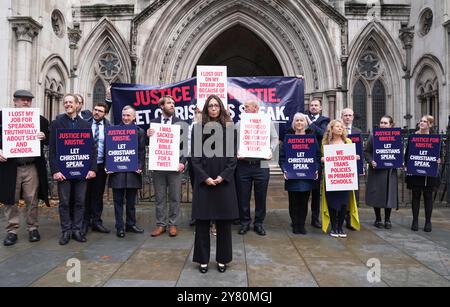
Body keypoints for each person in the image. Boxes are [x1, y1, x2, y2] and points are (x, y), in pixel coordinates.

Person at [191, 95, 239, 274]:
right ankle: (203, 260)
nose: (213, 108)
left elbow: (233, 158)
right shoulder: (197, 129)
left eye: (216, 105)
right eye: (210, 106)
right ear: (206, 109)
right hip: (204, 183)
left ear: (221, 108)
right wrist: (205, 178)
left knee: (224, 223)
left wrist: (222, 176)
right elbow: (194, 158)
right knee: (202, 222)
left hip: (223, 182)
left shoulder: (229, 129)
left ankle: (222, 259)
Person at [0, 90, 50, 246]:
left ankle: (33, 228)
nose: (26, 102)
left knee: (32, 198)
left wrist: (44, 136)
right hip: (10, 166)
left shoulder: (40, 120)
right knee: (10, 199)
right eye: (23, 100)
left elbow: (50, 141)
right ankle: (12, 230)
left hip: (31, 166)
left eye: (29, 100)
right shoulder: (2, 117)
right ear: (15, 101)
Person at [49, 94, 97, 245]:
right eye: (66, 102)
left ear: (77, 105)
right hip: (63, 172)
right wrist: (55, 170)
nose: (68, 104)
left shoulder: (86, 125)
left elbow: (92, 150)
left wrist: (92, 169)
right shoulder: (57, 123)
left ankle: (77, 230)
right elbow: (52, 150)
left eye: (71, 102)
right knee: (64, 203)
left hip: (82, 171)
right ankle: (66, 231)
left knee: (79, 202)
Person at [235, 100, 279, 236]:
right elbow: (232, 139)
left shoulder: (267, 121)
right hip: (243, 165)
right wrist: (237, 151)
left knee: (261, 196)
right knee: (243, 196)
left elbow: (275, 138)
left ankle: (259, 223)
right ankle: (244, 223)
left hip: (262, 164)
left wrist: (270, 150)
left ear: (256, 108)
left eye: (247, 106)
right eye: (244, 106)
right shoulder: (239, 123)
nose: (244, 108)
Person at [148, 95, 187, 238]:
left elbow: (186, 147)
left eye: (173, 103)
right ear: (161, 106)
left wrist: (182, 162)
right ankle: (160, 224)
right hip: (159, 167)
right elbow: (150, 146)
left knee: (175, 197)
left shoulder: (180, 123)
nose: (172, 105)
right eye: (169, 103)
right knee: (160, 197)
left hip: (175, 167)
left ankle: (173, 224)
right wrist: (148, 135)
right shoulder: (153, 123)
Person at [279, 113, 320, 235]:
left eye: (302, 120)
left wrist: (316, 169)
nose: (299, 123)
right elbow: (282, 157)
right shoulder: (288, 138)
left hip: (307, 176)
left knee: (304, 201)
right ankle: (295, 224)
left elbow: (317, 156)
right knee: (293, 202)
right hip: (292, 176)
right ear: (293, 123)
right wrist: (284, 170)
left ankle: (301, 225)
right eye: (297, 120)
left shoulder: (312, 139)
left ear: (305, 123)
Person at [108, 106, 146, 238]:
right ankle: (119, 227)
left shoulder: (140, 131)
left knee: (131, 202)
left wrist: (140, 166)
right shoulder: (113, 130)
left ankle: (131, 224)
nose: (125, 118)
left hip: (132, 172)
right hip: (117, 172)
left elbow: (142, 151)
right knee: (118, 202)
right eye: (124, 115)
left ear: (134, 117)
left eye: (128, 115)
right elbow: (109, 150)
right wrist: (108, 165)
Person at [321, 120, 360, 238]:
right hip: (331, 178)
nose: (340, 128)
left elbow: (352, 156)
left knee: (344, 203)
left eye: (341, 127)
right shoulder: (326, 143)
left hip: (345, 178)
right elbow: (321, 158)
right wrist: (323, 159)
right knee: (332, 203)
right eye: (337, 126)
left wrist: (355, 157)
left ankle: (340, 227)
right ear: (331, 129)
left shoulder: (347, 142)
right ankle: (333, 227)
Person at [406, 115, 441, 233]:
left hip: (429, 173)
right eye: (421, 121)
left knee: (428, 197)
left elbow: (439, 154)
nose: (421, 123)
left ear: (430, 124)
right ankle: (415, 220)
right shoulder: (413, 137)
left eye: (425, 121)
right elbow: (408, 154)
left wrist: (439, 159)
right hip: (416, 172)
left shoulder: (435, 138)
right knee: (415, 196)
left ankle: (428, 221)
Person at [364, 116, 398, 230]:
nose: (383, 125)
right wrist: (371, 161)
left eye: (385, 123)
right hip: (376, 170)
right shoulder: (373, 136)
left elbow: (398, 151)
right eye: (381, 122)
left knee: (389, 195)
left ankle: (387, 219)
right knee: (377, 194)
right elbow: (367, 151)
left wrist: (399, 161)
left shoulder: (395, 136)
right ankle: (378, 219)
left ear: (391, 125)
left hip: (389, 170)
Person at [82, 102, 111, 235]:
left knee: (98, 195)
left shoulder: (109, 127)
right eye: (95, 110)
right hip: (85, 165)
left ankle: (97, 222)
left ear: (105, 113)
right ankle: (84, 221)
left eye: (100, 111)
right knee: (84, 194)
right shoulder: (84, 124)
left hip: (100, 165)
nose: (96, 112)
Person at [306, 99, 330, 229]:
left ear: (320, 108)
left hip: (316, 159)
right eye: (311, 105)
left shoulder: (325, 120)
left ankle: (315, 219)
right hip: (303, 157)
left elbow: (324, 134)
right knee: (303, 191)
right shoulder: (302, 117)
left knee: (315, 191)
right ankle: (300, 218)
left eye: (316, 105)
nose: (313, 107)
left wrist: (311, 124)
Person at [340, 108, 362, 230]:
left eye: (350, 115)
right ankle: (339, 218)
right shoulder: (336, 131)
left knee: (354, 194)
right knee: (341, 193)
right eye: (345, 115)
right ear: (341, 116)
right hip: (340, 169)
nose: (348, 117)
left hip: (353, 168)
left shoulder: (357, 131)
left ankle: (350, 218)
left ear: (353, 117)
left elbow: (359, 150)